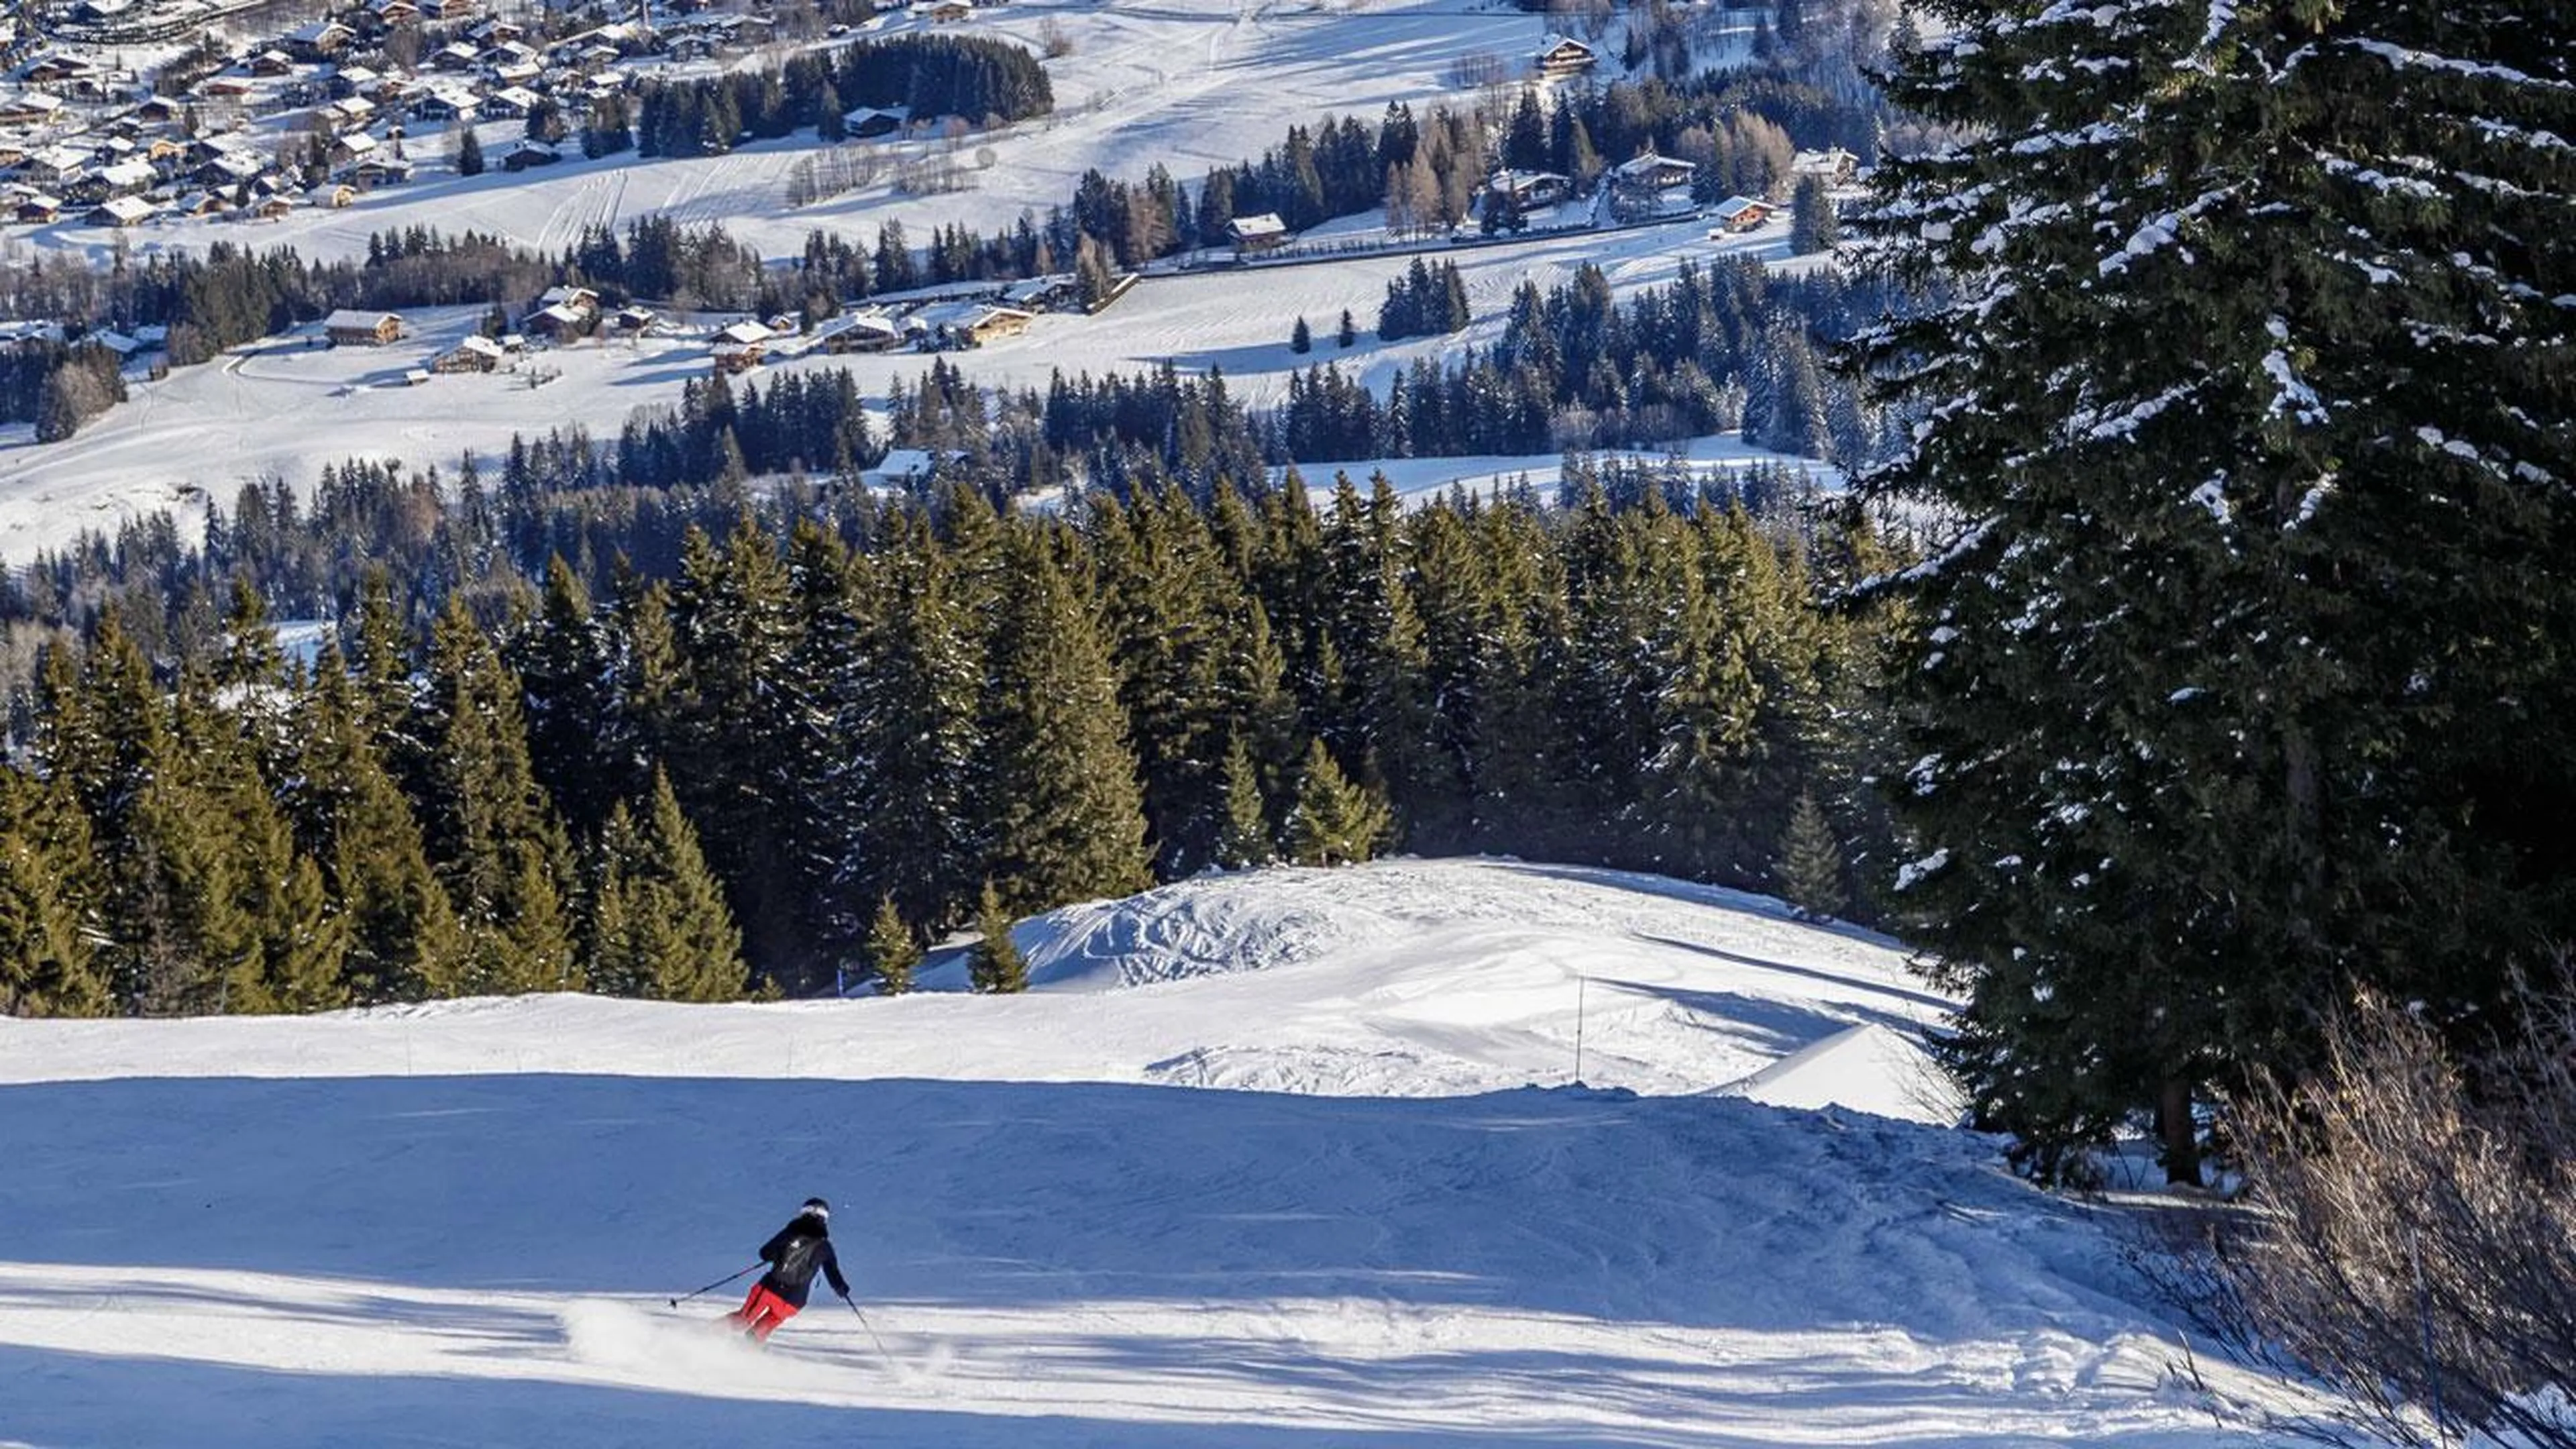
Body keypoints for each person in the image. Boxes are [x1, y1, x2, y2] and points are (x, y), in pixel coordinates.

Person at [724, 1197, 851, 1343]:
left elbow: (765, 1253)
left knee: (743, 1319)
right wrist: (842, 1290)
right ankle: (749, 1350)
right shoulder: (825, 1247)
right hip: (794, 1302)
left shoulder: (791, 1233)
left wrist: (779, 1255)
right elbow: (834, 1276)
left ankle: (708, 1334)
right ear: (825, 1219)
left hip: (771, 1289)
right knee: (766, 1326)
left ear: (803, 1213)